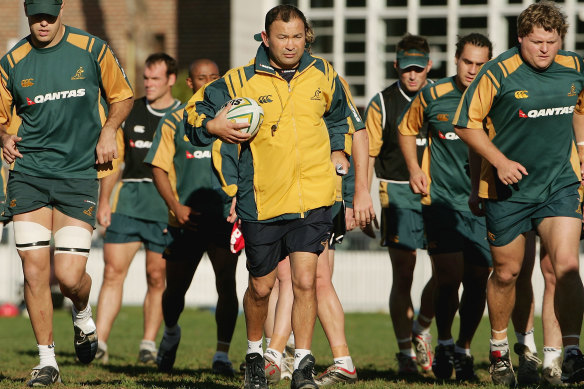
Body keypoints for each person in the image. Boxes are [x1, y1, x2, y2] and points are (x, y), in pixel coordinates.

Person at [185, 5, 358, 389]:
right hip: (261, 202)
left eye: (298, 36)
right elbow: (193, 112)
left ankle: (303, 365)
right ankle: (252, 353)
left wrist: (337, 149)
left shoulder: (323, 73)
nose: (291, 45)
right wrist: (213, 125)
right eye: (282, 37)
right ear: (266, 38)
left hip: (313, 197)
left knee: (306, 281)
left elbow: (339, 116)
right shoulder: (240, 80)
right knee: (261, 288)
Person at [0, 0, 133, 386]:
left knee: (69, 275)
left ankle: (82, 312)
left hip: (78, 175)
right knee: (35, 269)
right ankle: (47, 361)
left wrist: (108, 131)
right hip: (29, 173)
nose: (42, 23)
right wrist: (6, 136)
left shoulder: (92, 50)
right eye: (35, 16)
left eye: (49, 15)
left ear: (61, 11)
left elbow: (123, 96)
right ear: (27, 15)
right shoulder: (12, 62)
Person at [453, 1, 584, 385]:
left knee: (564, 265)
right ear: (520, 38)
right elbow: (466, 124)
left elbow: (580, 109)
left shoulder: (574, 68)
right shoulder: (498, 72)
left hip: (560, 184)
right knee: (508, 273)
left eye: (552, 41)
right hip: (506, 190)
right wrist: (500, 161)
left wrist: (581, 153)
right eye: (536, 41)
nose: (545, 49)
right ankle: (499, 350)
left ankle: (571, 353)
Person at [398, 33, 493, 381]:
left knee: (478, 280)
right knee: (449, 275)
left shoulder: (496, 96)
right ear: (456, 60)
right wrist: (413, 169)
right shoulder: (433, 94)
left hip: (483, 202)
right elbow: (406, 130)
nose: (473, 69)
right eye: (467, 62)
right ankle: (444, 344)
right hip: (440, 202)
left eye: (480, 64)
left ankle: (465, 351)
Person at [144, 58, 240, 376]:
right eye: (202, 78)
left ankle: (222, 355)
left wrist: (240, 198)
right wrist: (176, 205)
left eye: (215, 77)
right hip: (185, 220)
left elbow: (251, 164)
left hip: (224, 218)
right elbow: (157, 167)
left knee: (227, 284)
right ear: (190, 82)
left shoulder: (239, 118)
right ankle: (171, 333)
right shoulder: (175, 120)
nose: (209, 83)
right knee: (174, 292)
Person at [95, 53, 181, 364]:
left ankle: (148, 345)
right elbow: (113, 162)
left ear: (171, 80)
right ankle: (99, 344)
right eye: (146, 78)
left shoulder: (183, 116)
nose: (149, 84)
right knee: (112, 271)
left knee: (157, 276)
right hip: (127, 203)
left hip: (163, 208)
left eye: (155, 79)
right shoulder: (129, 113)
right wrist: (104, 201)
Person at [364, 33, 435, 375]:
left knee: (452, 271)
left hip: (440, 193)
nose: (412, 75)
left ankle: (422, 325)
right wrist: (360, 197)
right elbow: (369, 154)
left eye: (418, 69)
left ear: (429, 67)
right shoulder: (381, 102)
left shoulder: (442, 96)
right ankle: (405, 352)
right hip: (396, 191)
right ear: (396, 66)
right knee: (404, 272)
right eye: (406, 69)